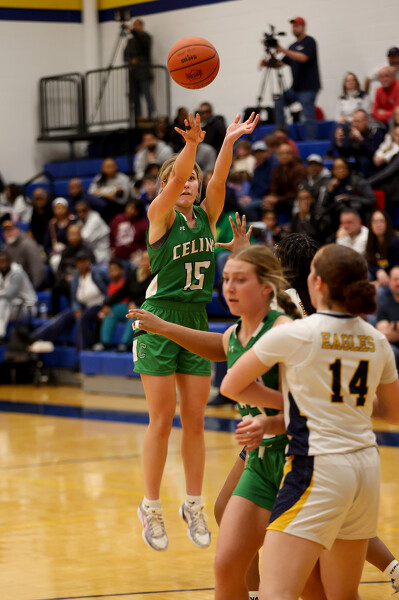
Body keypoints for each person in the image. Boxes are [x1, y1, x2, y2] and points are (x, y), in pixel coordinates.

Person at [127, 245, 330, 600]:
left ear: (266, 285)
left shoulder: (285, 328)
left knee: (311, 578)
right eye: (225, 280)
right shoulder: (242, 329)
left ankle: (391, 567)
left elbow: (309, 406)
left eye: (240, 280)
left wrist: (267, 418)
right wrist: (165, 328)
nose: (229, 289)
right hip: (260, 455)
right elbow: (222, 345)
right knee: (226, 563)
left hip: (296, 455)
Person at [220, 243, 399, 600]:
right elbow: (393, 413)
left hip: (317, 466)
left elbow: (231, 385)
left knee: (277, 591)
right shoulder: (376, 339)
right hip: (365, 470)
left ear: (317, 283)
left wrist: (290, 406)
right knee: (342, 594)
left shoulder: (295, 333)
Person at [130, 111, 258, 552]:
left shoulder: (206, 215)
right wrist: (189, 147)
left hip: (195, 320)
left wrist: (229, 141)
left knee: (196, 420)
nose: (189, 183)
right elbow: (177, 181)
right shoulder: (159, 214)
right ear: (166, 186)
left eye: (193, 180)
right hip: (157, 319)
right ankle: (150, 506)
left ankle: (193, 504)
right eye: (180, 180)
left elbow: (218, 179)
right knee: (162, 418)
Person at [30, 250, 108, 355]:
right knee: (65, 315)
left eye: (84, 261)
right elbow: (74, 298)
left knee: (83, 318)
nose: (82, 264)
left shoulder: (98, 272)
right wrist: (76, 308)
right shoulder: (75, 279)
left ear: (89, 262)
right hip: (83, 306)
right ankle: (36, 337)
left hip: (99, 305)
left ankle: (81, 353)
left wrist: (108, 304)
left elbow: (110, 287)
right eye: (79, 261)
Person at [266, 17, 321, 140]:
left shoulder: (309, 41)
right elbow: (281, 63)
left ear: (303, 27)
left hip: (309, 88)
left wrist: (282, 50)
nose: (294, 28)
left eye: (297, 26)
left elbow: (303, 58)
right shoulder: (292, 46)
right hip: (295, 88)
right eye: (293, 26)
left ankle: (310, 142)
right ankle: (281, 135)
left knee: (308, 116)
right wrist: (268, 62)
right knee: (279, 101)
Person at [97, 252, 152, 352]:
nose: (145, 262)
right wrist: (107, 303)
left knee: (135, 313)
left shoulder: (156, 276)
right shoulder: (134, 274)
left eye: (148, 259)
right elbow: (122, 292)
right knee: (113, 310)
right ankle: (105, 342)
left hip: (146, 308)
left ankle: (125, 344)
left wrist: (134, 302)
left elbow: (153, 296)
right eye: (143, 259)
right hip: (131, 305)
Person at [333, 109, 385, 177]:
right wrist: (339, 142)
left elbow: (373, 152)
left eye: (357, 121)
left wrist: (360, 139)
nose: (355, 124)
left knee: (364, 161)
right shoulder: (353, 131)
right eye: (353, 121)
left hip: (373, 162)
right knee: (339, 162)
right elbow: (346, 154)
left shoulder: (376, 131)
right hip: (357, 160)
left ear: (366, 121)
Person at [0, 250, 37, 342]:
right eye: (0, 262)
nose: (2, 264)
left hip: (27, 306)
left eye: (4, 261)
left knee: (3, 302)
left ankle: (1, 334)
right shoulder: (1, 273)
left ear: (10, 262)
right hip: (13, 305)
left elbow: (9, 294)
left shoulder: (17, 273)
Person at [123, 18, 154, 122]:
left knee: (147, 96)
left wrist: (132, 30)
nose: (136, 27)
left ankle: (150, 117)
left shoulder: (146, 37)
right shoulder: (130, 41)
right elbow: (125, 55)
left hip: (144, 73)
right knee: (135, 98)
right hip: (133, 74)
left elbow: (142, 42)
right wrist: (130, 61)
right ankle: (138, 119)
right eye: (134, 25)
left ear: (142, 26)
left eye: (138, 25)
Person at [2, 219, 46, 290]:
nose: (8, 233)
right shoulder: (6, 247)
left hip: (27, 285)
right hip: (11, 285)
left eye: (11, 230)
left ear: (17, 230)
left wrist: (34, 288)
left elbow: (37, 269)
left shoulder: (28, 245)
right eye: (6, 231)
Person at [366, 209, 399, 294]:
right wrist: (378, 271)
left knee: (379, 292)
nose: (378, 225)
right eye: (375, 222)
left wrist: (377, 283)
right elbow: (369, 262)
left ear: (387, 223)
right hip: (379, 275)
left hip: (393, 279)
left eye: (381, 221)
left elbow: (396, 269)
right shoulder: (371, 241)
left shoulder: (394, 243)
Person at [376, 266, 399, 373]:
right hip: (393, 349)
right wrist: (397, 326)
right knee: (390, 351)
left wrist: (393, 326)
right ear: (390, 283)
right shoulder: (384, 306)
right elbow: (383, 334)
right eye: (395, 279)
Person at [75, 201, 110, 265]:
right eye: (78, 211)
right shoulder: (81, 221)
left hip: (101, 256)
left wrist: (75, 234)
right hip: (91, 255)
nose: (81, 213)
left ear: (89, 210)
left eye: (83, 210)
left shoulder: (95, 219)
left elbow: (84, 237)